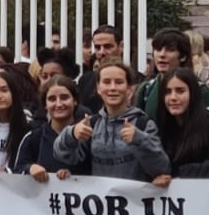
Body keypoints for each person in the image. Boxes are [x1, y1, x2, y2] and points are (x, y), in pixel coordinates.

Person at [57, 58, 169, 187]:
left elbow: (162, 167)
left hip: (135, 203)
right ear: (98, 88)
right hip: (101, 203)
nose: (113, 88)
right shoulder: (91, 124)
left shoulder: (143, 123)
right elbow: (63, 156)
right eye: (106, 82)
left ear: (129, 89)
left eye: (119, 82)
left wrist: (140, 139)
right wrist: (71, 134)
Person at [154, 68, 209, 178]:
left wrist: (181, 173)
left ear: (193, 93)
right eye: (168, 92)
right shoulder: (161, 128)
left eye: (180, 91)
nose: (173, 97)